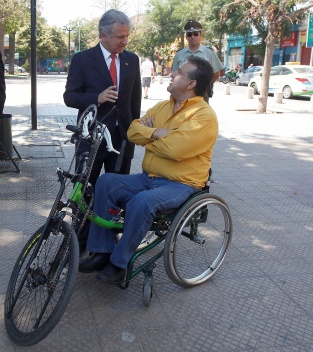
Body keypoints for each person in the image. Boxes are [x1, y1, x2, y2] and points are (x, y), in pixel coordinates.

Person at [78, 56, 218, 284]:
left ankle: (119, 263)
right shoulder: (163, 106)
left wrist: (152, 136)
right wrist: (156, 133)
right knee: (106, 183)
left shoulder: (203, 116)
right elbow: (132, 130)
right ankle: (102, 251)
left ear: (191, 84)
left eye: (180, 72)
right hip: (148, 177)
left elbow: (175, 149)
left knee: (142, 201)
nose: (173, 74)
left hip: (181, 184)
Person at [63, 9, 141, 250]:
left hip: (121, 140)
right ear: (103, 35)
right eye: (119, 36)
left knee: (117, 189)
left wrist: (133, 132)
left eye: (127, 36)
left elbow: (134, 99)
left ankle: (108, 238)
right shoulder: (83, 59)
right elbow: (70, 97)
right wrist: (96, 98)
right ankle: (82, 240)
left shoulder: (132, 59)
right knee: (87, 189)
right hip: (91, 138)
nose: (124, 41)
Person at [171, 20, 224, 104]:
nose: (192, 37)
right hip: (183, 93)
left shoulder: (209, 52)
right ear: (186, 37)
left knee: (201, 116)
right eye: (189, 34)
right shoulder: (179, 54)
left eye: (195, 34)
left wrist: (205, 86)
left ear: (200, 35)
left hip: (201, 94)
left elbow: (216, 74)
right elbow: (174, 74)